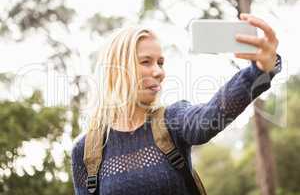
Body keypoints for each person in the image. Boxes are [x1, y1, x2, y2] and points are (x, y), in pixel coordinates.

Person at [71, 13, 281, 195]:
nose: (159, 72)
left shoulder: (172, 120)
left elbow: (208, 117)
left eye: (160, 63)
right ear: (116, 69)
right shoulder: (86, 151)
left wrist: (260, 71)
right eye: (146, 62)